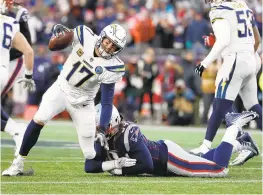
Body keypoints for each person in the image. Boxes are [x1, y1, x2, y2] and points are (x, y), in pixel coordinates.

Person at [2, 23, 127, 176]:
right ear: (102, 36)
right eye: (108, 42)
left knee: (90, 154)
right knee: (39, 119)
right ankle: (18, 163)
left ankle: (113, 159)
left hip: (83, 102)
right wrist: (57, 37)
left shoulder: (113, 66)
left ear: (117, 50)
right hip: (61, 89)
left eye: (113, 47)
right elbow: (54, 46)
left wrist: (101, 129)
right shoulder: (85, 35)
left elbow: (107, 102)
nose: (108, 48)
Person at [84, 104, 259, 177]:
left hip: (169, 158)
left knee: (219, 169)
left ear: (113, 122)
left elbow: (146, 165)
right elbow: (89, 166)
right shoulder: (103, 136)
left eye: (102, 126)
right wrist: (113, 165)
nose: (99, 129)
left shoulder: (129, 132)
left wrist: (120, 170)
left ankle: (233, 127)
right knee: (207, 161)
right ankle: (241, 143)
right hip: (165, 156)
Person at [191, 0, 262, 165]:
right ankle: (244, 140)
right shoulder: (242, 4)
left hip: (236, 60)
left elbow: (223, 41)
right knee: (252, 104)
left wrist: (204, 63)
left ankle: (206, 146)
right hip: (253, 58)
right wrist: (246, 56)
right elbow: (256, 38)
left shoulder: (219, 10)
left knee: (219, 103)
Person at [0, 0, 35, 156]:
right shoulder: (10, 19)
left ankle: (17, 130)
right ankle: (16, 130)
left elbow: (27, 46)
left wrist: (5, 52)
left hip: (14, 61)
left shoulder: (19, 13)